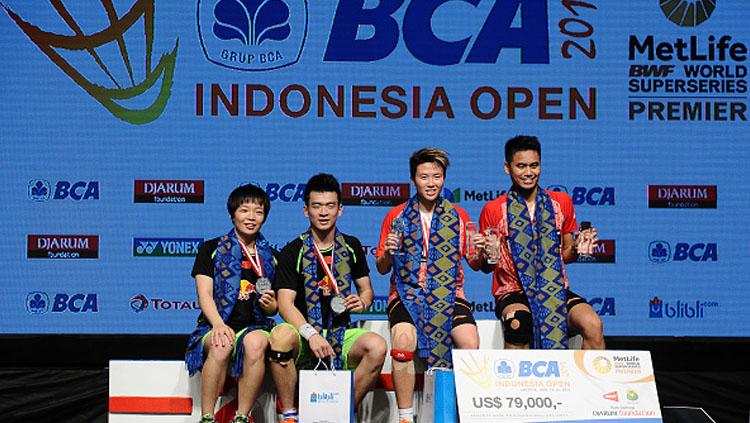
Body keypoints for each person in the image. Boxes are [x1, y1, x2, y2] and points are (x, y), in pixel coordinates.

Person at [375, 148, 484, 423]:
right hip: (407, 293)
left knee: (469, 342)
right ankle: (405, 417)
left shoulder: (458, 215)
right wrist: (388, 252)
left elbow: (476, 263)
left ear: (444, 179)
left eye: (437, 176)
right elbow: (382, 267)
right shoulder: (396, 216)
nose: (431, 182)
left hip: (449, 294)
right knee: (402, 342)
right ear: (413, 180)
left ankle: (462, 412)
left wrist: (485, 251)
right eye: (424, 177)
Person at [268, 173, 387, 423]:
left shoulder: (352, 246)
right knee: (279, 337)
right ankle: (290, 414)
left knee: (377, 346)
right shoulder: (293, 251)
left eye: (330, 206)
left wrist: (363, 300)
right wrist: (310, 334)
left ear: (340, 210)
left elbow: (366, 289)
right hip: (303, 334)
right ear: (305, 211)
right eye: (316, 206)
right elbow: (285, 304)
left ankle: (341, 408)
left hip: (340, 333)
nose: (324, 212)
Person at [478, 135, 605, 351]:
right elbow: (486, 267)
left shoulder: (561, 202)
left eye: (534, 165)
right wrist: (490, 255)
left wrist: (577, 248)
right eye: (521, 166)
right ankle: (517, 386)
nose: (528, 172)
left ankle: (588, 384)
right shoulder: (493, 209)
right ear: (507, 168)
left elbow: (566, 254)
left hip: (554, 289)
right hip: (513, 291)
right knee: (519, 323)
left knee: (593, 324)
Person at [185, 184, 279, 423]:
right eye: (244, 210)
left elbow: (274, 308)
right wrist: (217, 324)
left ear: (265, 217)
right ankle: (207, 417)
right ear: (232, 214)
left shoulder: (272, 256)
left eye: (258, 212)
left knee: (257, 342)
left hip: (254, 326)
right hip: (213, 324)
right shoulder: (211, 249)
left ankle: (241, 417)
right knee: (221, 344)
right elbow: (204, 294)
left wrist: (270, 305)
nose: (251, 217)